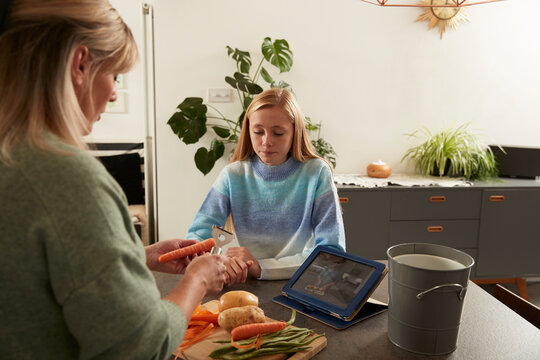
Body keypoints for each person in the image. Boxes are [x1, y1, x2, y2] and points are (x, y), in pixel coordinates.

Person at [0, 1, 227, 358]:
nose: (113, 92)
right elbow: (141, 345)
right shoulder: (68, 177)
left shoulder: (11, 155)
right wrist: (197, 281)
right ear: (80, 64)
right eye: (116, 76)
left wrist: (140, 254)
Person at [186, 88, 346, 280]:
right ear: (248, 130)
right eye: (258, 132)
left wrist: (263, 267)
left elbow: (331, 252)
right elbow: (197, 236)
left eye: (278, 133)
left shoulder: (316, 173)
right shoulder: (233, 175)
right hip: (248, 282)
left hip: (302, 283)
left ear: (295, 132)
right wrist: (216, 262)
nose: (266, 141)